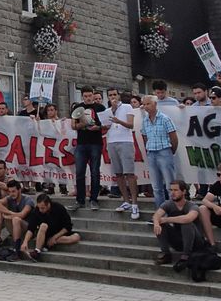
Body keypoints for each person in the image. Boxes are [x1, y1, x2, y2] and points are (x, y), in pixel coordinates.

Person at [104, 87, 138, 220]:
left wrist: (119, 121)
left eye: (114, 94)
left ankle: (134, 203)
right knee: (118, 173)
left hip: (125, 141)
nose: (112, 97)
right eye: (110, 95)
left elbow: (131, 125)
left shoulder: (127, 107)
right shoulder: (107, 111)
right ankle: (126, 201)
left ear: (118, 96)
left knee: (129, 173)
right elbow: (106, 126)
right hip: (112, 141)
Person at [139, 94, 178, 207]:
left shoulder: (165, 118)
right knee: (156, 187)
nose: (146, 107)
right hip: (151, 152)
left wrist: (171, 151)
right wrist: (148, 148)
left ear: (155, 104)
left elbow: (173, 137)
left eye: (148, 104)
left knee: (170, 185)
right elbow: (145, 136)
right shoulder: (145, 120)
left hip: (164, 151)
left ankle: (173, 211)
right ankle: (160, 212)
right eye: (144, 104)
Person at [71, 85, 105, 211]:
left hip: (96, 143)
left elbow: (105, 124)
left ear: (93, 94)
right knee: (79, 172)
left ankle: (94, 199)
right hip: (81, 143)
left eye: (90, 96)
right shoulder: (77, 107)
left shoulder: (100, 107)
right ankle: (80, 200)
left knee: (95, 172)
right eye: (85, 96)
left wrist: (98, 127)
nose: (88, 98)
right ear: (82, 96)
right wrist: (82, 124)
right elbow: (73, 126)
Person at [153, 180, 203, 265]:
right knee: (160, 223)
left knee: (186, 223)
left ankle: (186, 255)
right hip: (179, 241)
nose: (172, 193)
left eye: (176, 190)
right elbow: (156, 215)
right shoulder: (168, 204)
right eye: (171, 190)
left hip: (195, 242)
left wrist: (167, 219)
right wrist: (156, 224)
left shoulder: (192, 206)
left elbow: (188, 218)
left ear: (184, 191)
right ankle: (166, 254)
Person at [20, 193, 80, 259]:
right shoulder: (36, 211)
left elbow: (68, 226)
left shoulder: (59, 208)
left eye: (42, 208)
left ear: (48, 204)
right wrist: (25, 241)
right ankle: (37, 251)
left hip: (59, 233)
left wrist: (55, 237)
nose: (40, 210)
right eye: (39, 207)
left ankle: (48, 243)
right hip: (45, 233)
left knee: (76, 237)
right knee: (43, 225)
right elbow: (31, 228)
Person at [0, 180, 34, 246]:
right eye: (9, 192)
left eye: (13, 191)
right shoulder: (10, 198)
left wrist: (9, 216)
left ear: (19, 190)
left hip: (27, 228)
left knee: (16, 219)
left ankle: (16, 247)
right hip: (13, 226)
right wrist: (9, 212)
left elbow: (22, 215)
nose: (11, 194)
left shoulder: (28, 200)